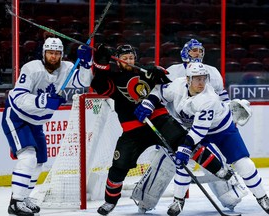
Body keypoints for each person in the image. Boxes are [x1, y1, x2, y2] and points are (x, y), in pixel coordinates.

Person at [91, 44, 233, 215]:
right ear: (117, 61)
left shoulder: (145, 72)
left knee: (186, 142)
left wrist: (159, 73)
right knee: (119, 165)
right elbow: (99, 85)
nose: (129, 61)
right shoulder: (112, 79)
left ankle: (219, 169)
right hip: (132, 129)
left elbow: (172, 86)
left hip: (159, 120)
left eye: (131, 57)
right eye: (124, 58)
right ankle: (110, 202)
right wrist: (101, 63)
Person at [135, 62, 269, 215]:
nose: (201, 82)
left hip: (222, 129)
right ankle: (178, 201)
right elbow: (159, 91)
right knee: (184, 164)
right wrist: (148, 103)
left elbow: (198, 131)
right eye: (197, 78)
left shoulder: (208, 99)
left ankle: (262, 197)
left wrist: (185, 147)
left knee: (244, 165)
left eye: (203, 78)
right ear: (188, 79)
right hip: (194, 129)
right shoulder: (177, 85)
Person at [1, 37, 93, 216]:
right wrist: (43, 100)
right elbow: (18, 97)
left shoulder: (67, 68)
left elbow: (83, 83)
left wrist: (86, 64)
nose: (53, 56)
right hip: (17, 117)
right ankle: (15, 202)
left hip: (37, 123)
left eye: (57, 53)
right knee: (28, 157)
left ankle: (24, 197)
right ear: (44, 53)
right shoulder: (31, 68)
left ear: (61, 55)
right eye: (50, 53)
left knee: (40, 162)